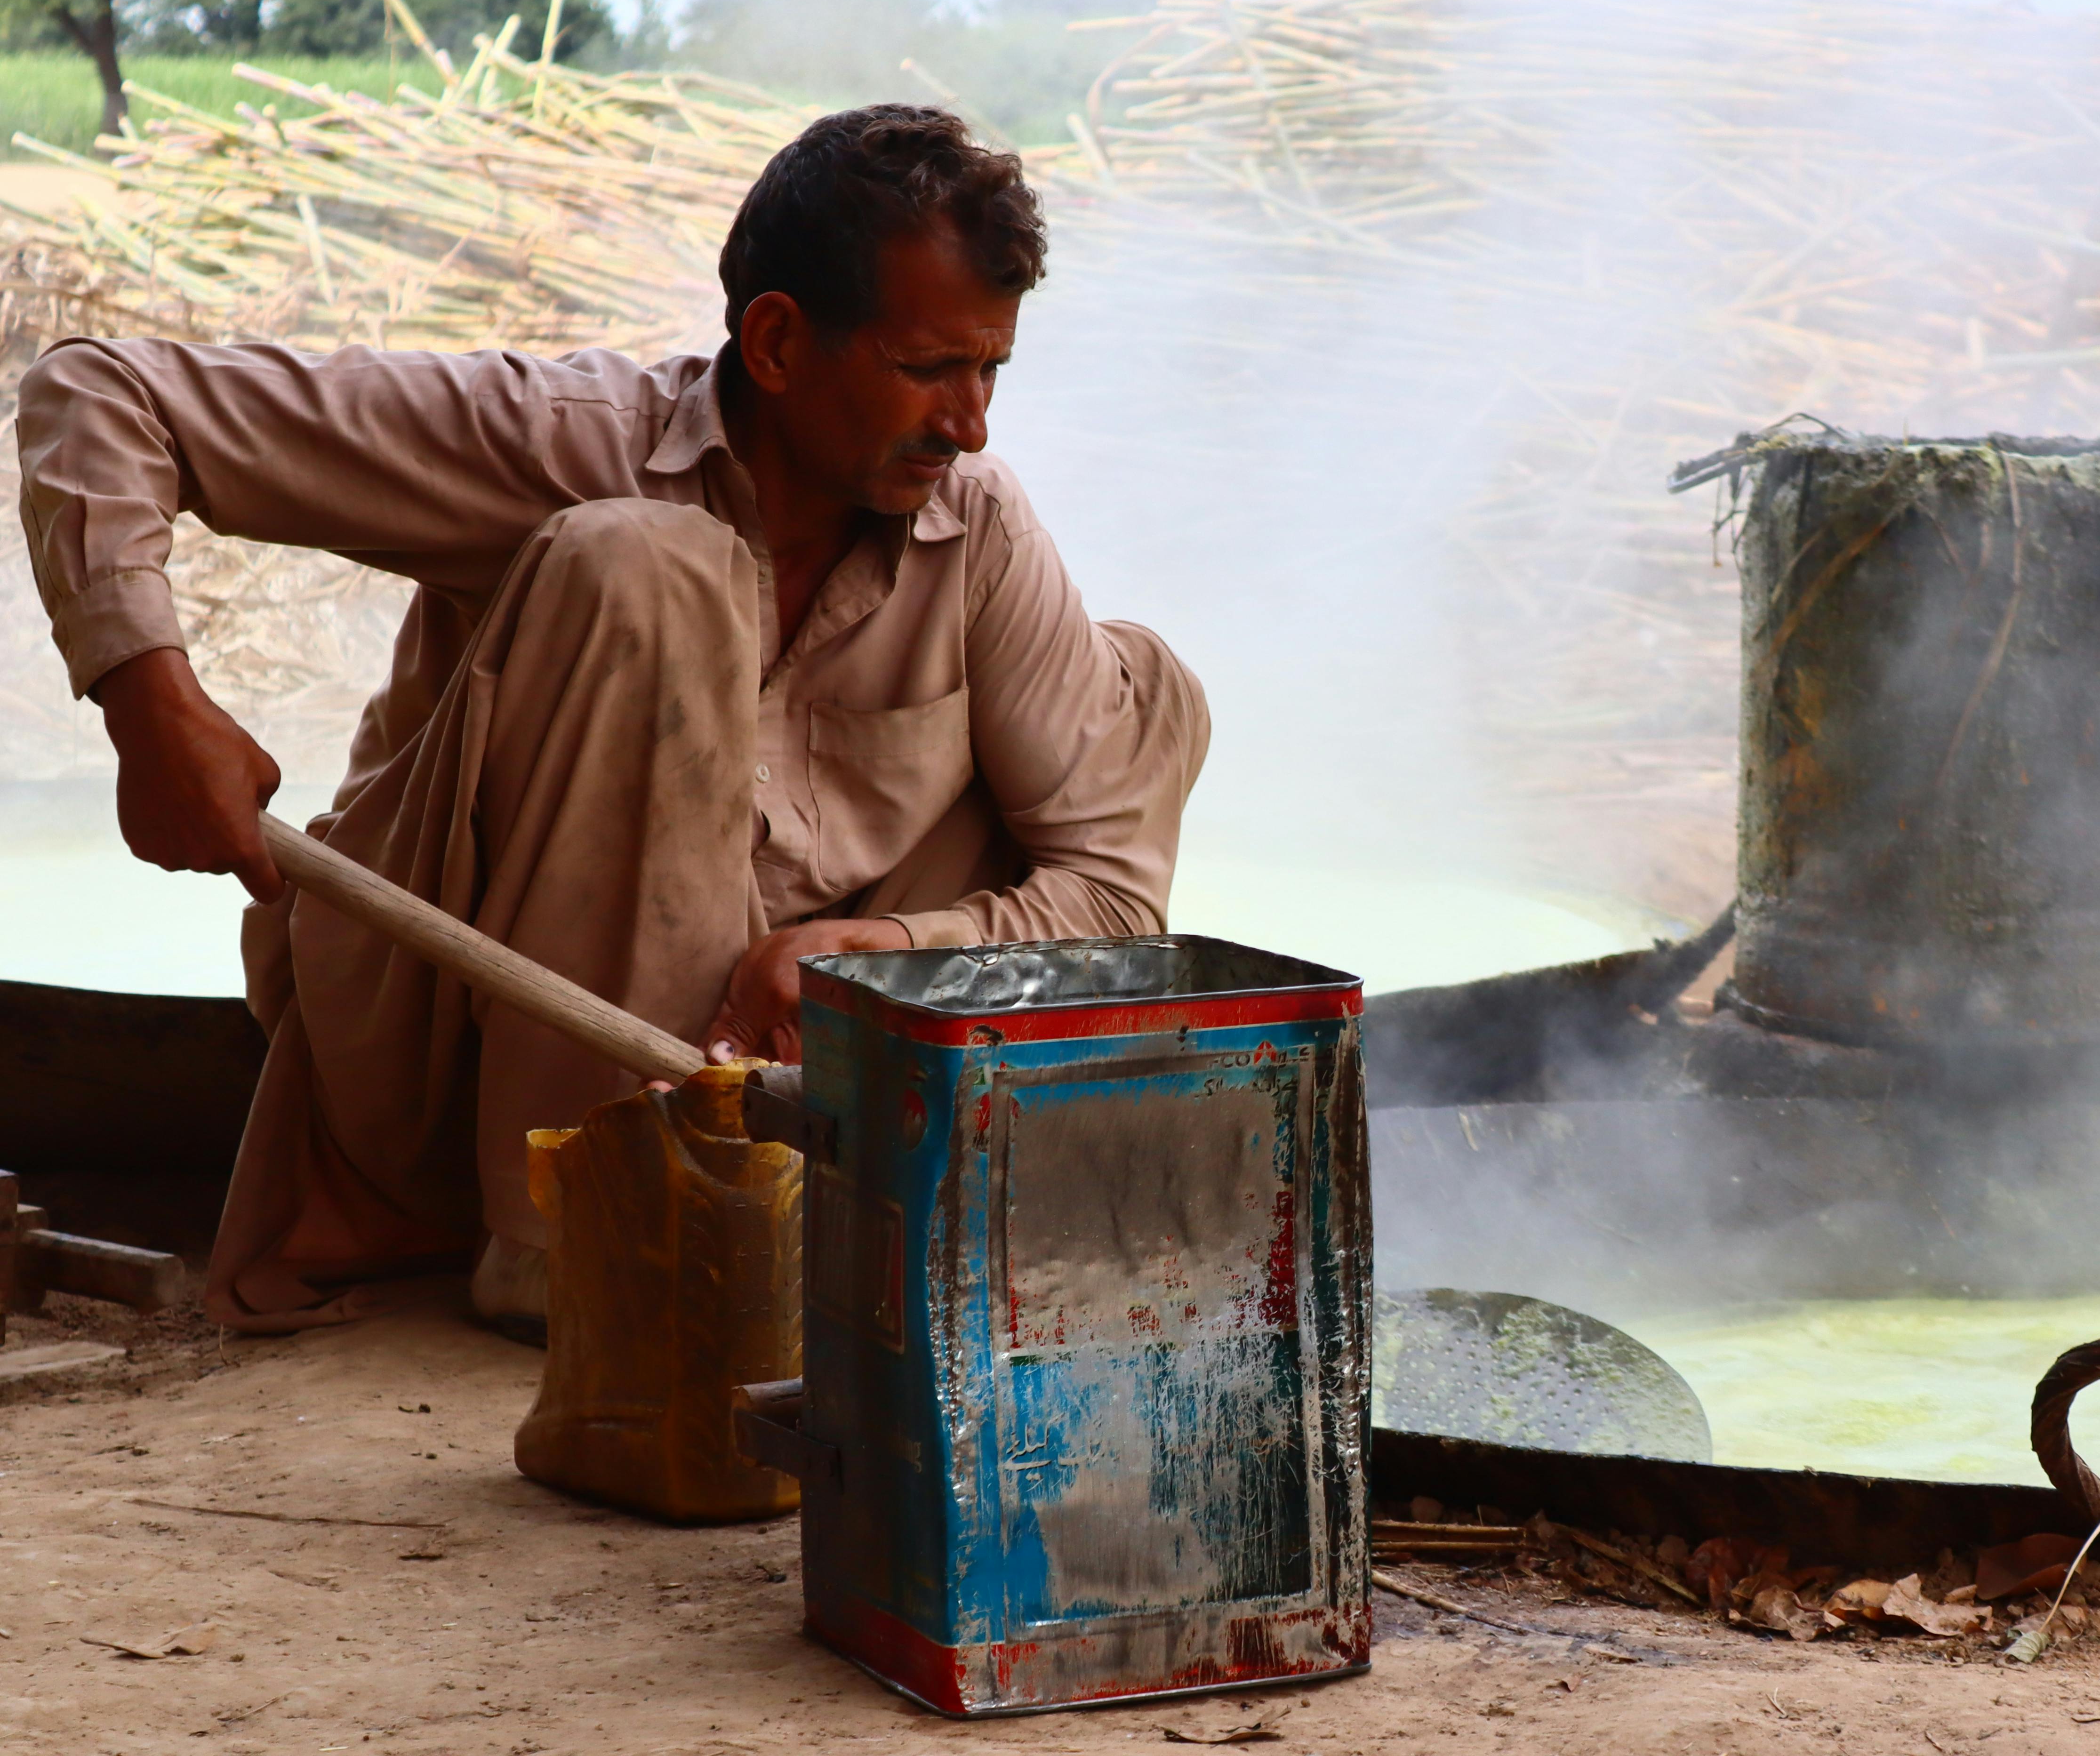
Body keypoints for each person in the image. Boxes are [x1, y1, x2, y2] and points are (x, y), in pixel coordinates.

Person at [14, 105, 1209, 1335]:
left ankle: (826, 1208)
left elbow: (1116, 906)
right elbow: (96, 394)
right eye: (925, 371)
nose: (970, 423)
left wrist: (867, 951)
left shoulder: (977, 525)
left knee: (1141, 688)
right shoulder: (560, 441)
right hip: (452, 1069)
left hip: (756, 1087)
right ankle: (584, 1253)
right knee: (644, 566)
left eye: (990, 369)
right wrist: (148, 702)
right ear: (781, 342)